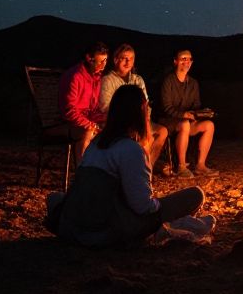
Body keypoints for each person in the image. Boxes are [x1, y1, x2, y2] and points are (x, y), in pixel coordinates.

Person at [50, 83, 205, 246]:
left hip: (74, 226)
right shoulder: (130, 149)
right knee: (195, 195)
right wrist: (158, 204)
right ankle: (167, 228)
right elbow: (142, 207)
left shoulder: (96, 142)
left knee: (56, 198)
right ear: (141, 112)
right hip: (107, 229)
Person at [99, 43, 169, 169]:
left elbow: (145, 104)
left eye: (131, 59)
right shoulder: (108, 80)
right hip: (118, 123)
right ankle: (135, 169)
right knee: (142, 136)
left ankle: (147, 167)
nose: (128, 62)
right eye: (124, 58)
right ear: (116, 60)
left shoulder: (138, 80)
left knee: (162, 132)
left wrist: (145, 120)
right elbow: (106, 107)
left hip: (140, 120)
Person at [158, 49, 217, 176]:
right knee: (184, 124)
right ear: (175, 62)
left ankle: (200, 165)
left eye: (189, 59)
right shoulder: (168, 81)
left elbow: (196, 105)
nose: (187, 62)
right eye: (183, 58)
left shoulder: (193, 83)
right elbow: (166, 107)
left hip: (187, 120)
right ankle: (181, 166)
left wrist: (201, 114)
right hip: (169, 121)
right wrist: (184, 115)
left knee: (209, 125)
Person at [59, 42, 109, 165]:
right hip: (67, 123)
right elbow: (69, 111)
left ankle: (105, 170)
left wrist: (105, 118)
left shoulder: (96, 77)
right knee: (88, 131)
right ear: (89, 58)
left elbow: (93, 108)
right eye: (100, 61)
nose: (104, 65)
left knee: (112, 126)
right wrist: (91, 124)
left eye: (106, 60)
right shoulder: (75, 76)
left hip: (86, 120)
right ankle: (83, 172)